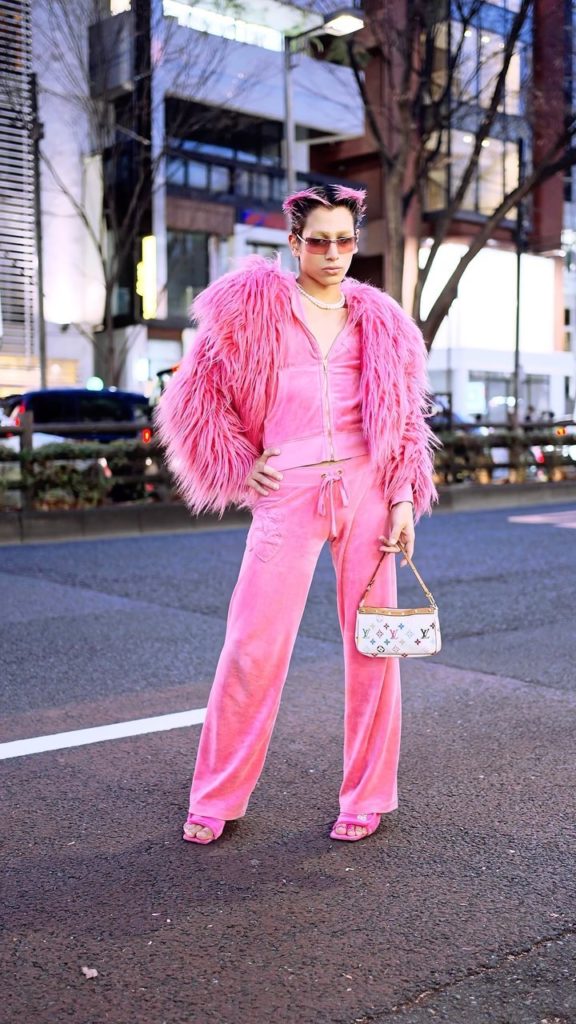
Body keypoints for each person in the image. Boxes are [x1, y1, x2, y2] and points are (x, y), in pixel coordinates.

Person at [156, 184, 438, 844]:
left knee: (374, 649)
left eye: (345, 240)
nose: (333, 253)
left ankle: (366, 796)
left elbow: (401, 420)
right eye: (319, 241)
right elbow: (194, 398)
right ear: (293, 243)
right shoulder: (254, 312)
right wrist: (235, 461)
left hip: (368, 494)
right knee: (252, 647)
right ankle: (216, 796)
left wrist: (401, 500)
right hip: (289, 493)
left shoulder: (381, 322)